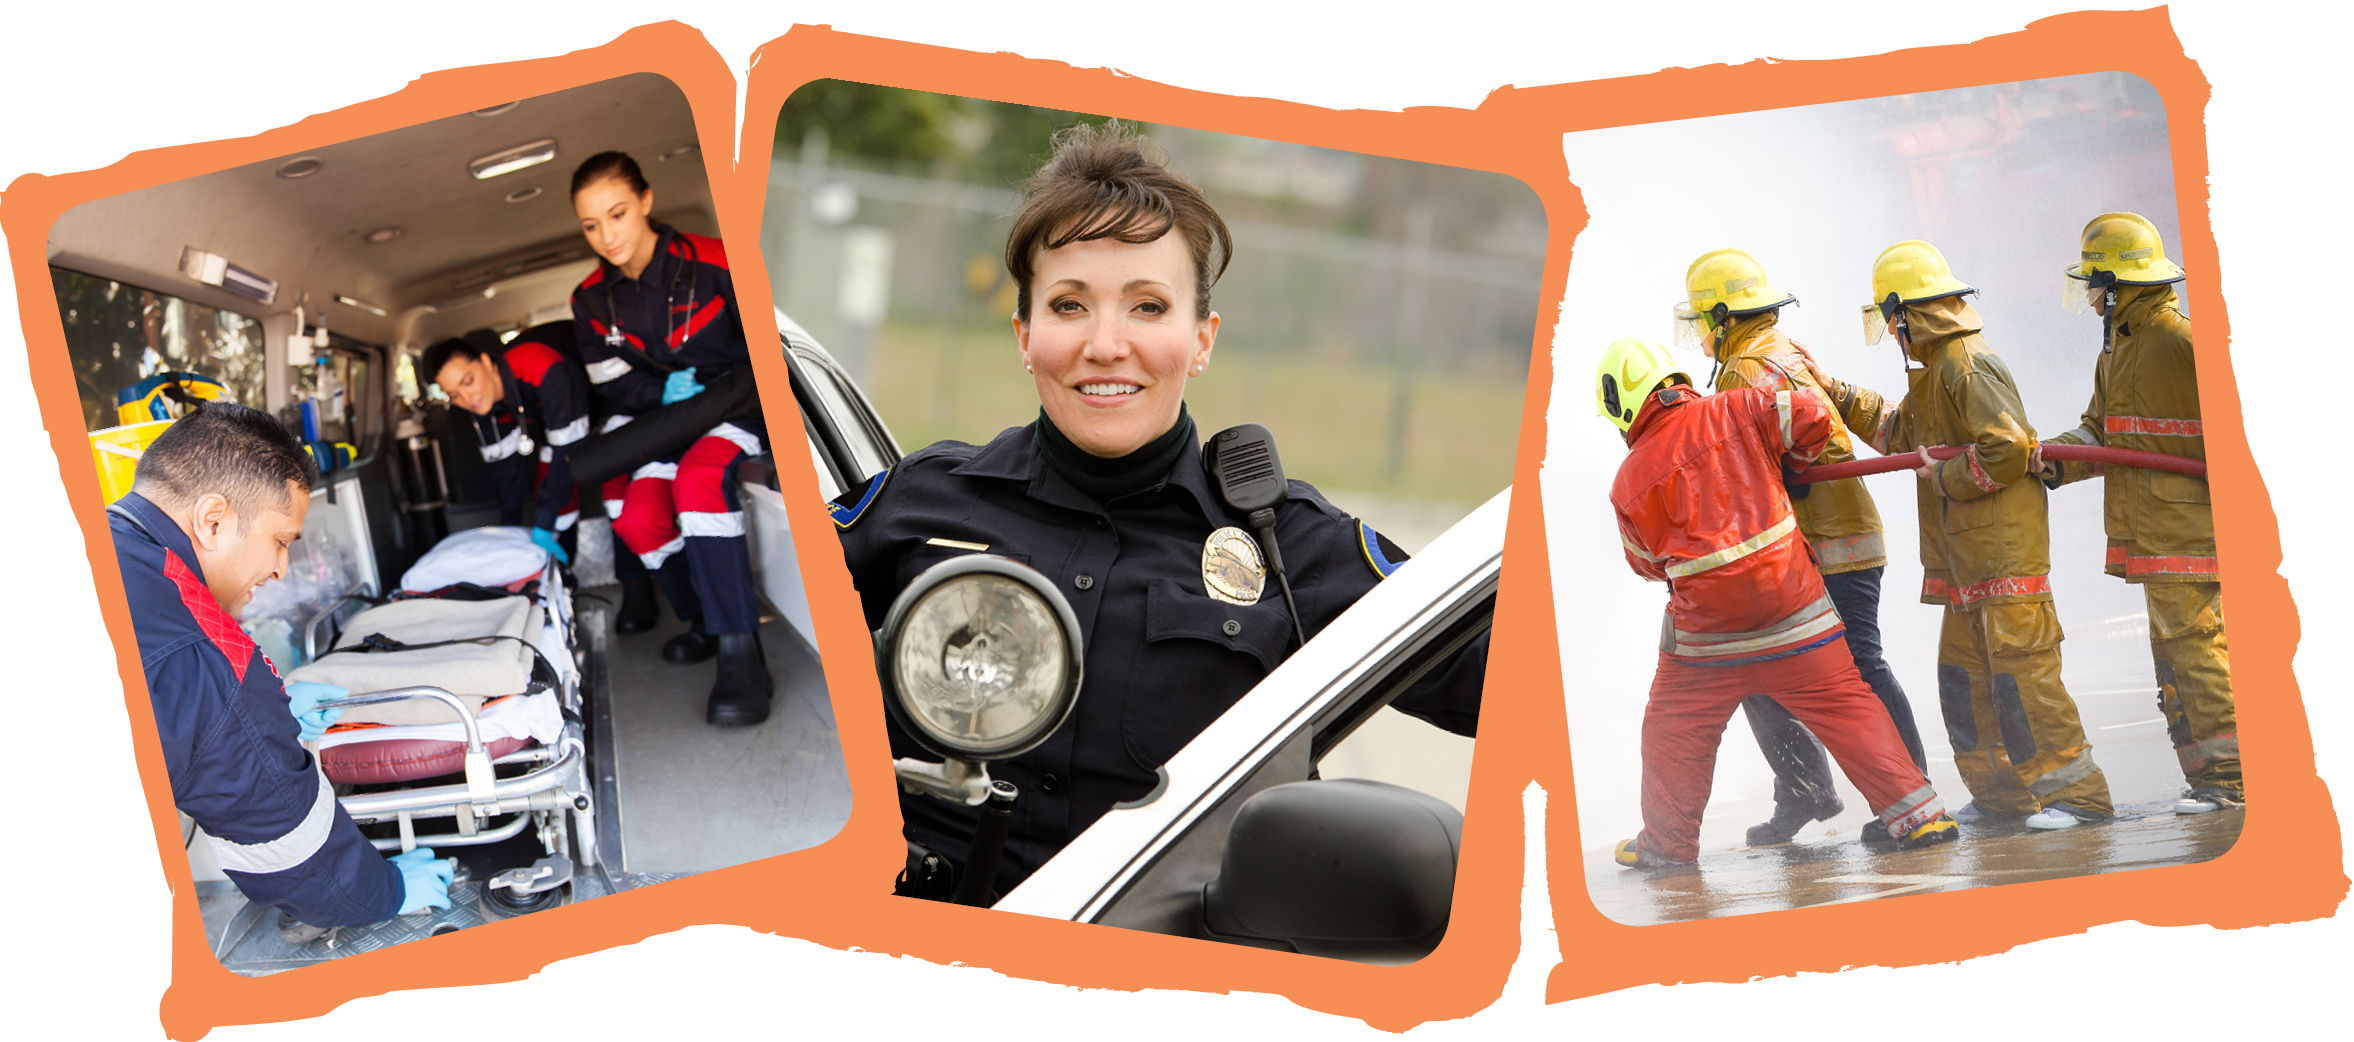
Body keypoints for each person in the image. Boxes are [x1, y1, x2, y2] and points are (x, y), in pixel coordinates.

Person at [830, 122, 1485, 901]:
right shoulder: (920, 504)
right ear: (1025, 334)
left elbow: (1529, 695)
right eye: (1069, 305)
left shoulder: (1291, 548)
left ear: (1200, 340)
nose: (1107, 345)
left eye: (1147, 306)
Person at [1597, 337, 1957, 868]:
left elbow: (1646, 564)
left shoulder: (1628, 480)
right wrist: (1787, 465)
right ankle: (1921, 818)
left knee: (1672, 727)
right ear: (1673, 379)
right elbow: (1814, 416)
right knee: (1849, 705)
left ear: (1622, 405)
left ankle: (1667, 847)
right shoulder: (1739, 407)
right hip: (1796, 615)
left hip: (1707, 643)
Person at [1803, 239, 2114, 829]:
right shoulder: (1936, 368)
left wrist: (1941, 475)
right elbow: (1898, 430)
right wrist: (1833, 391)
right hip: (1967, 562)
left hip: (2002, 557)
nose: (1890, 331)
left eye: (1890, 319)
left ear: (1904, 314)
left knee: (2024, 684)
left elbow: (2006, 450)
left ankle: (2078, 799)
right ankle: (2002, 799)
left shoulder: (1965, 363)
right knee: (1964, 686)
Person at [106, 402, 455, 928]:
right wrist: (386, 890)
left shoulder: (107, 539)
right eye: (280, 542)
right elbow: (292, 851)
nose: (280, 569)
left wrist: (269, 701)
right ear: (213, 519)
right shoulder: (200, 653)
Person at [1677, 248, 1929, 847]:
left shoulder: (1745, 371)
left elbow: (1765, 465)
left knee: (1853, 666)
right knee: (1766, 668)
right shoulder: (1779, 349)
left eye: (1702, 322)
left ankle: (1903, 792)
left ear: (1722, 317)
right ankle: (1810, 791)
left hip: (1826, 545)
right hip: (1838, 539)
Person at [2038, 213, 2239, 815]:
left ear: (2119, 283)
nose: (2091, 296)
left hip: (2190, 533)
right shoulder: (2119, 348)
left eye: (2095, 283)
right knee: (2176, 660)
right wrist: (2048, 460)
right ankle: (2209, 778)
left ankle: (2233, 779)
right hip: (2153, 534)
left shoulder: (2180, 342)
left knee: (2199, 654)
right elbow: (2102, 433)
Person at [565, 150, 773, 726]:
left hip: (740, 409)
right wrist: (662, 397)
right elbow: (613, 381)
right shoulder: (590, 301)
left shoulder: (718, 261)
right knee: (635, 517)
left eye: (618, 214)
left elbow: (771, 352)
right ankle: (702, 617)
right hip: (669, 420)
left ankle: (741, 650)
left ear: (646, 203)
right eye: (591, 225)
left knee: (699, 480)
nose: (607, 236)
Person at [421, 326, 661, 634]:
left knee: (613, 488)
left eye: (468, 381)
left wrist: (544, 520)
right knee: (549, 489)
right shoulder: (482, 403)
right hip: (565, 422)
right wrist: (508, 539)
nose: (467, 397)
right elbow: (508, 473)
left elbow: (568, 450)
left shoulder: (540, 364)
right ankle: (563, 579)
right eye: (454, 394)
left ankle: (636, 585)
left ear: (484, 360)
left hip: (613, 404)